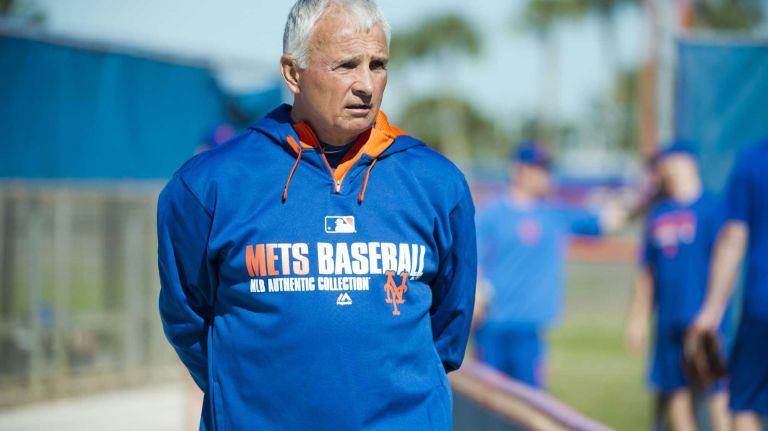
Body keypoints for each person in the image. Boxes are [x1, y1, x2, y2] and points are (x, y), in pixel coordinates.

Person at [156, 1, 477, 429]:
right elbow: (188, 320)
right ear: (293, 73)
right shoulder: (209, 185)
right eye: (346, 65)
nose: (366, 83)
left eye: (378, 64)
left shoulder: (438, 184)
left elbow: (447, 335)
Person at [474, 141, 624, 388]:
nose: (544, 176)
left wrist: (639, 200)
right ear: (518, 170)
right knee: (489, 405)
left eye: (546, 169)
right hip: (492, 325)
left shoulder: (553, 213)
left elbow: (607, 221)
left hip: (530, 328)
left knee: (530, 406)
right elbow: (473, 260)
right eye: (538, 169)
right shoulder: (491, 214)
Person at [625, 143, 730, 431]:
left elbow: (727, 263)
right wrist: (637, 319)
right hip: (668, 318)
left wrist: (714, 311)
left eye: (668, 161)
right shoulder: (658, 214)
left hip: (706, 320)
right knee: (676, 394)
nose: (663, 169)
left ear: (686, 161)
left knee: (716, 390)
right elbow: (647, 272)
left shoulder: (712, 209)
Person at [689, 140, 768, 431]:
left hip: (762, 308)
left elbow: (733, 239)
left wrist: (711, 309)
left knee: (745, 405)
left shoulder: (753, 160)